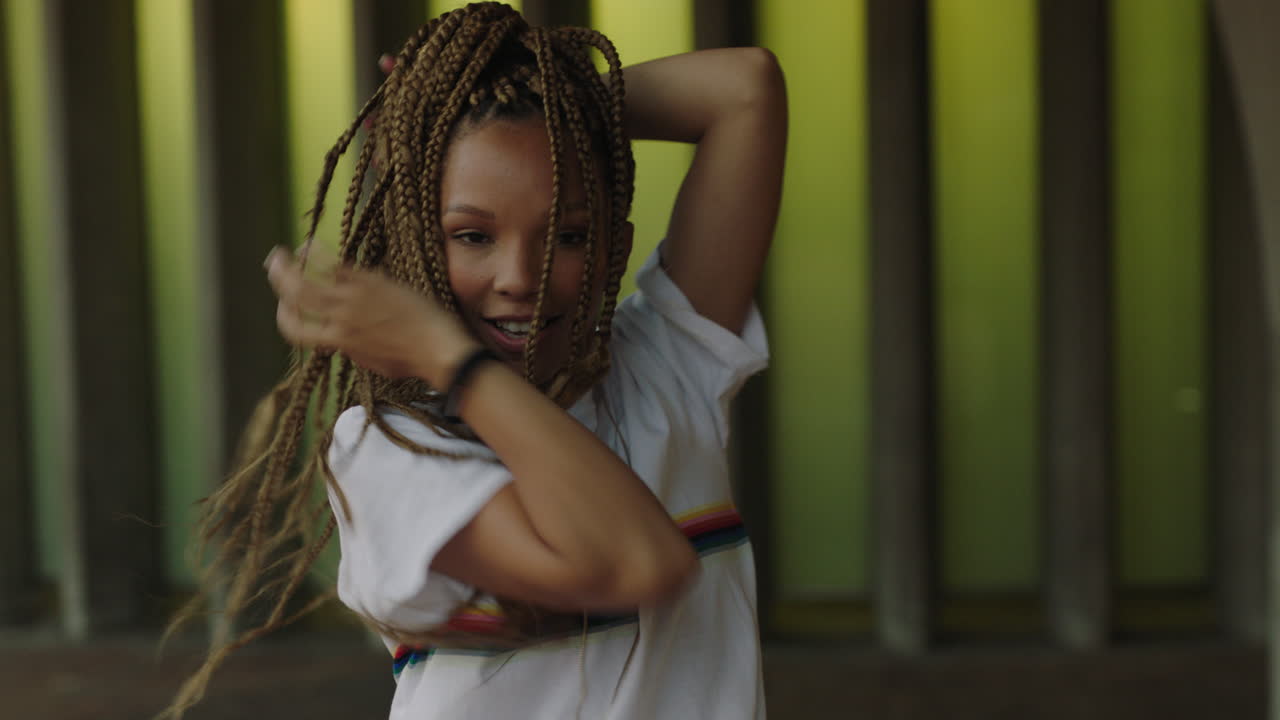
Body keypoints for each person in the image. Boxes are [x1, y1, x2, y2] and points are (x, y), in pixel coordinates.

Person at [164, 3, 785, 718]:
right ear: (414, 241)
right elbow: (637, 559)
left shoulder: (663, 366)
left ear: (616, 243)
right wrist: (447, 358)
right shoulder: (389, 450)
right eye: (472, 236)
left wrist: (525, 93)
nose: (521, 275)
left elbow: (746, 87)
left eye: (570, 236)